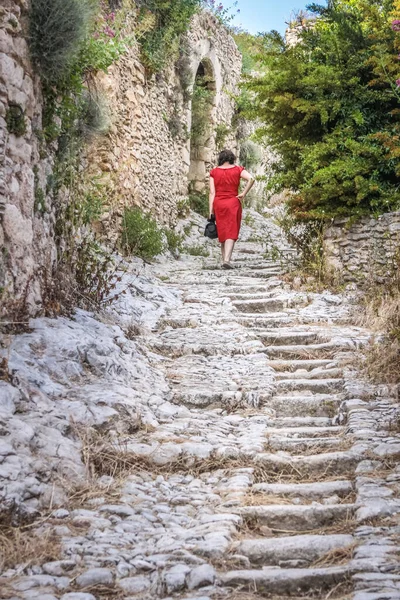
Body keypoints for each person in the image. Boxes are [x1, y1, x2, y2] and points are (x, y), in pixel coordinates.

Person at [209, 149, 255, 269]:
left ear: (221, 159)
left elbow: (212, 192)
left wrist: (210, 211)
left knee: (223, 230)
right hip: (233, 202)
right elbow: (251, 179)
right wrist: (244, 193)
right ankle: (227, 260)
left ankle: (224, 259)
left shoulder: (214, 172)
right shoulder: (238, 169)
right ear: (232, 158)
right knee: (231, 230)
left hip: (219, 203)